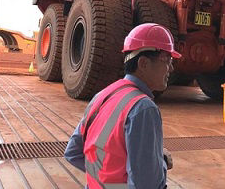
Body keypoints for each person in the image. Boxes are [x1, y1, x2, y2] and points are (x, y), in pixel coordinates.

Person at [64, 23, 181, 189]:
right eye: (167, 60)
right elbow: (147, 184)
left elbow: (73, 153)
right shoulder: (143, 108)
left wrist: (105, 178)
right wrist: (160, 160)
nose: (171, 68)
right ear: (143, 63)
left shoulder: (102, 96)